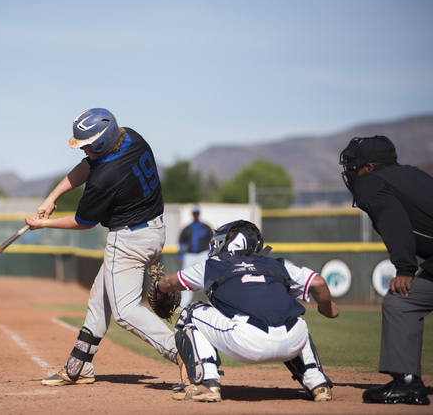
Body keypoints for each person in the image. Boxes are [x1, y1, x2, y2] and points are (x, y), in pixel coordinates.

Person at [25, 108, 178, 386]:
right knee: (100, 297)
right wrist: (52, 198)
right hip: (154, 231)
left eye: (87, 144)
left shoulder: (106, 174)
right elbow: (88, 164)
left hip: (129, 240)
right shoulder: (131, 136)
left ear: (101, 143)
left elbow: (84, 221)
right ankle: (79, 365)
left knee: (124, 312)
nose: (83, 149)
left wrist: (45, 224)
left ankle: (187, 352)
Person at [155, 220, 338, 402]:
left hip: (249, 342)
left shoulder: (213, 265)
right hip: (293, 342)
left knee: (190, 312)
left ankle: (206, 383)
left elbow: (169, 282)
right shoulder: (277, 264)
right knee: (293, 319)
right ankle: (317, 383)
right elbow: (318, 283)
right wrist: (327, 309)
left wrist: (159, 288)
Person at [340, 135, 433, 406]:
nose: (352, 174)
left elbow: (393, 217)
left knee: (401, 300)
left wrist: (405, 268)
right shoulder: (414, 174)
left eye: (354, 167)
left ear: (368, 167)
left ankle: (407, 384)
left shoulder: (371, 182)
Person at [178, 205, 214, 308]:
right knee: (185, 278)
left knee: (208, 278)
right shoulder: (187, 228)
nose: (195, 215)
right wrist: (180, 256)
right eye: (194, 213)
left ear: (199, 214)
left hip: (203, 254)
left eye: (197, 213)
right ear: (192, 214)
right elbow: (181, 243)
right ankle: (183, 304)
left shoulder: (206, 227)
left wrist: (212, 255)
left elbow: (212, 243)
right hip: (189, 255)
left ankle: (212, 301)